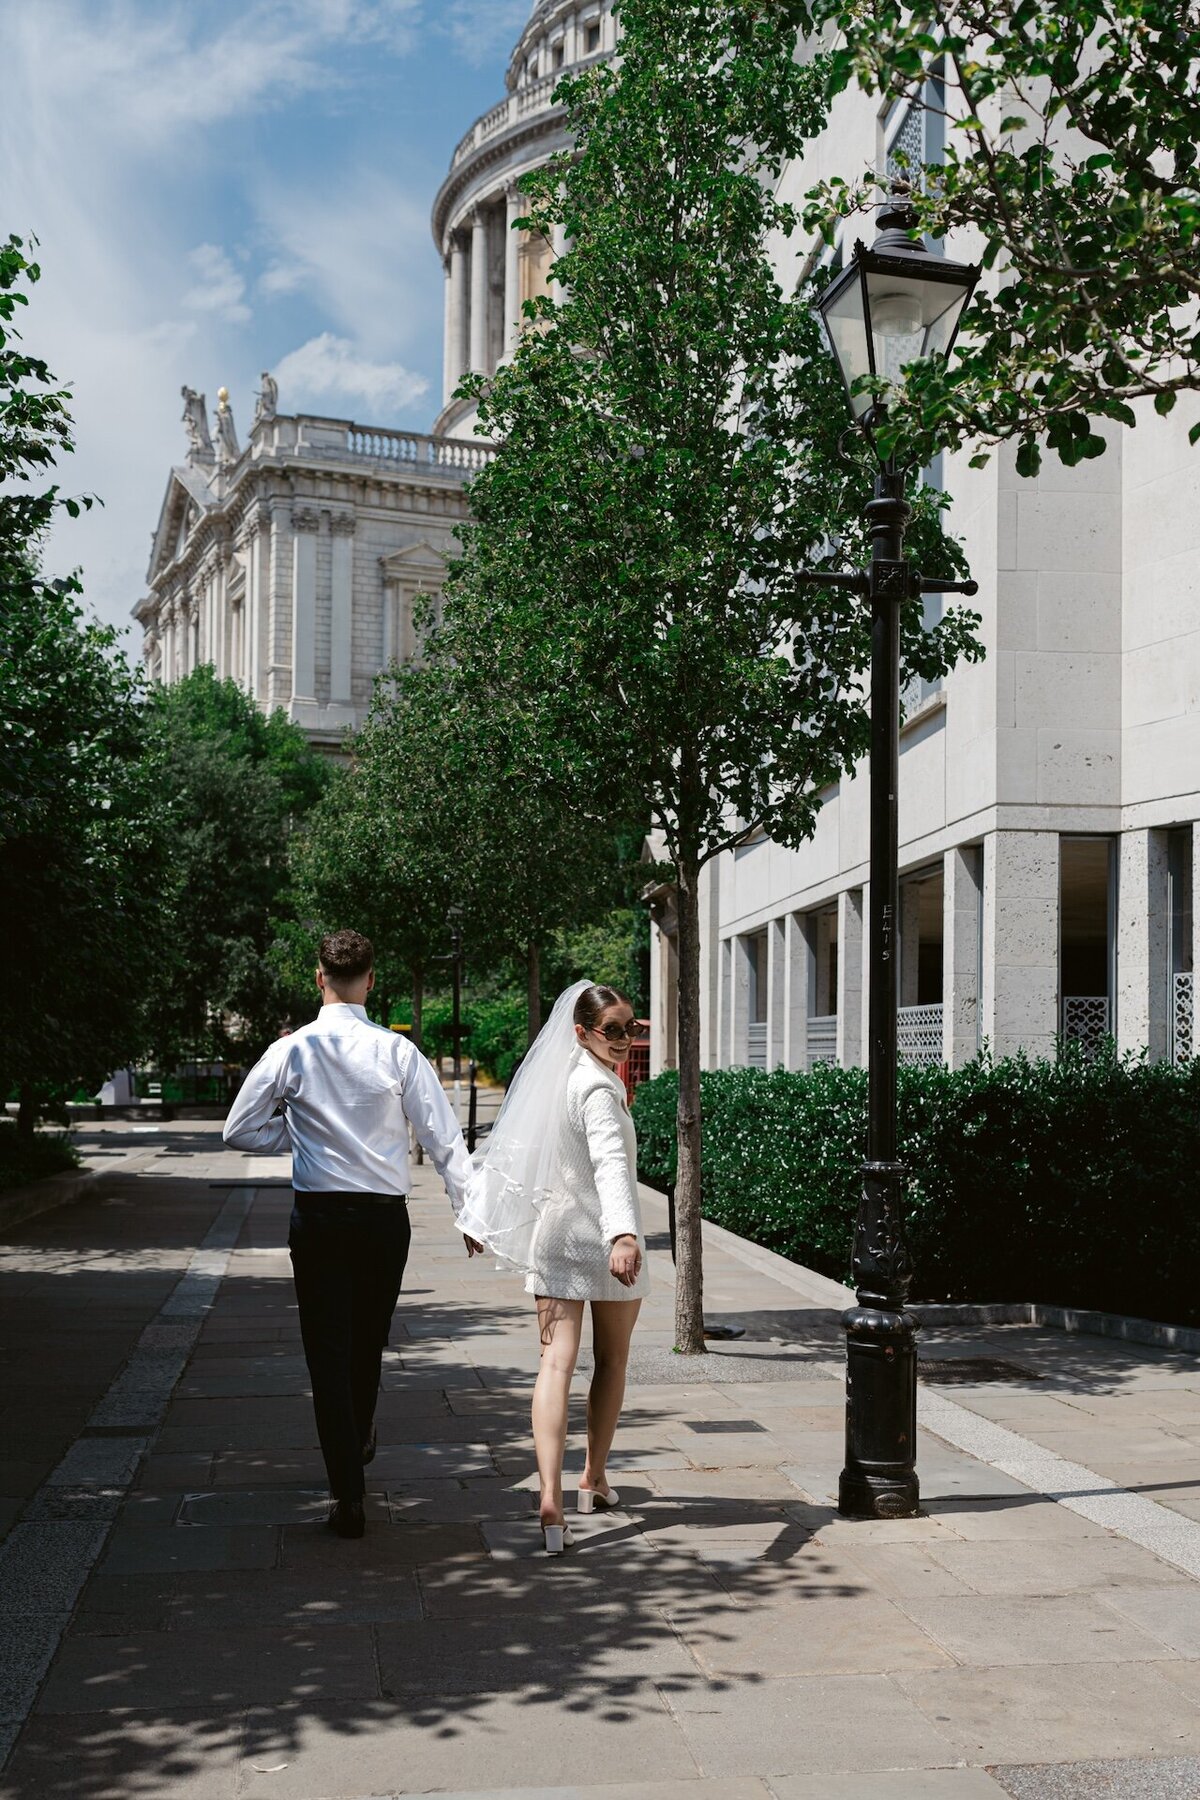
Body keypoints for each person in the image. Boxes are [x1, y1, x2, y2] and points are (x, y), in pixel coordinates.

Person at [223, 929, 472, 1539]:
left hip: (320, 1219)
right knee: (367, 1341)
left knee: (325, 1352)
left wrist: (299, 1137)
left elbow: (239, 1129)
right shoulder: (396, 1052)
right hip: (384, 1221)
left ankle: (347, 1494)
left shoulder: (292, 1052)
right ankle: (357, 1435)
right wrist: (469, 1210)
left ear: (319, 978)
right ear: (371, 979)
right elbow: (443, 1137)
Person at [459, 981, 648, 1555]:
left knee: (554, 1365)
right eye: (611, 1030)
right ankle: (589, 1478)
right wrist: (622, 1232)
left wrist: (480, 1212)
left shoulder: (560, 1081)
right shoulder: (597, 1089)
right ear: (583, 1032)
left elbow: (515, 1144)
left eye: (630, 1028)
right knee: (610, 1362)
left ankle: (552, 1500)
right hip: (603, 1241)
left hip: (557, 1238)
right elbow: (612, 1164)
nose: (622, 1040)